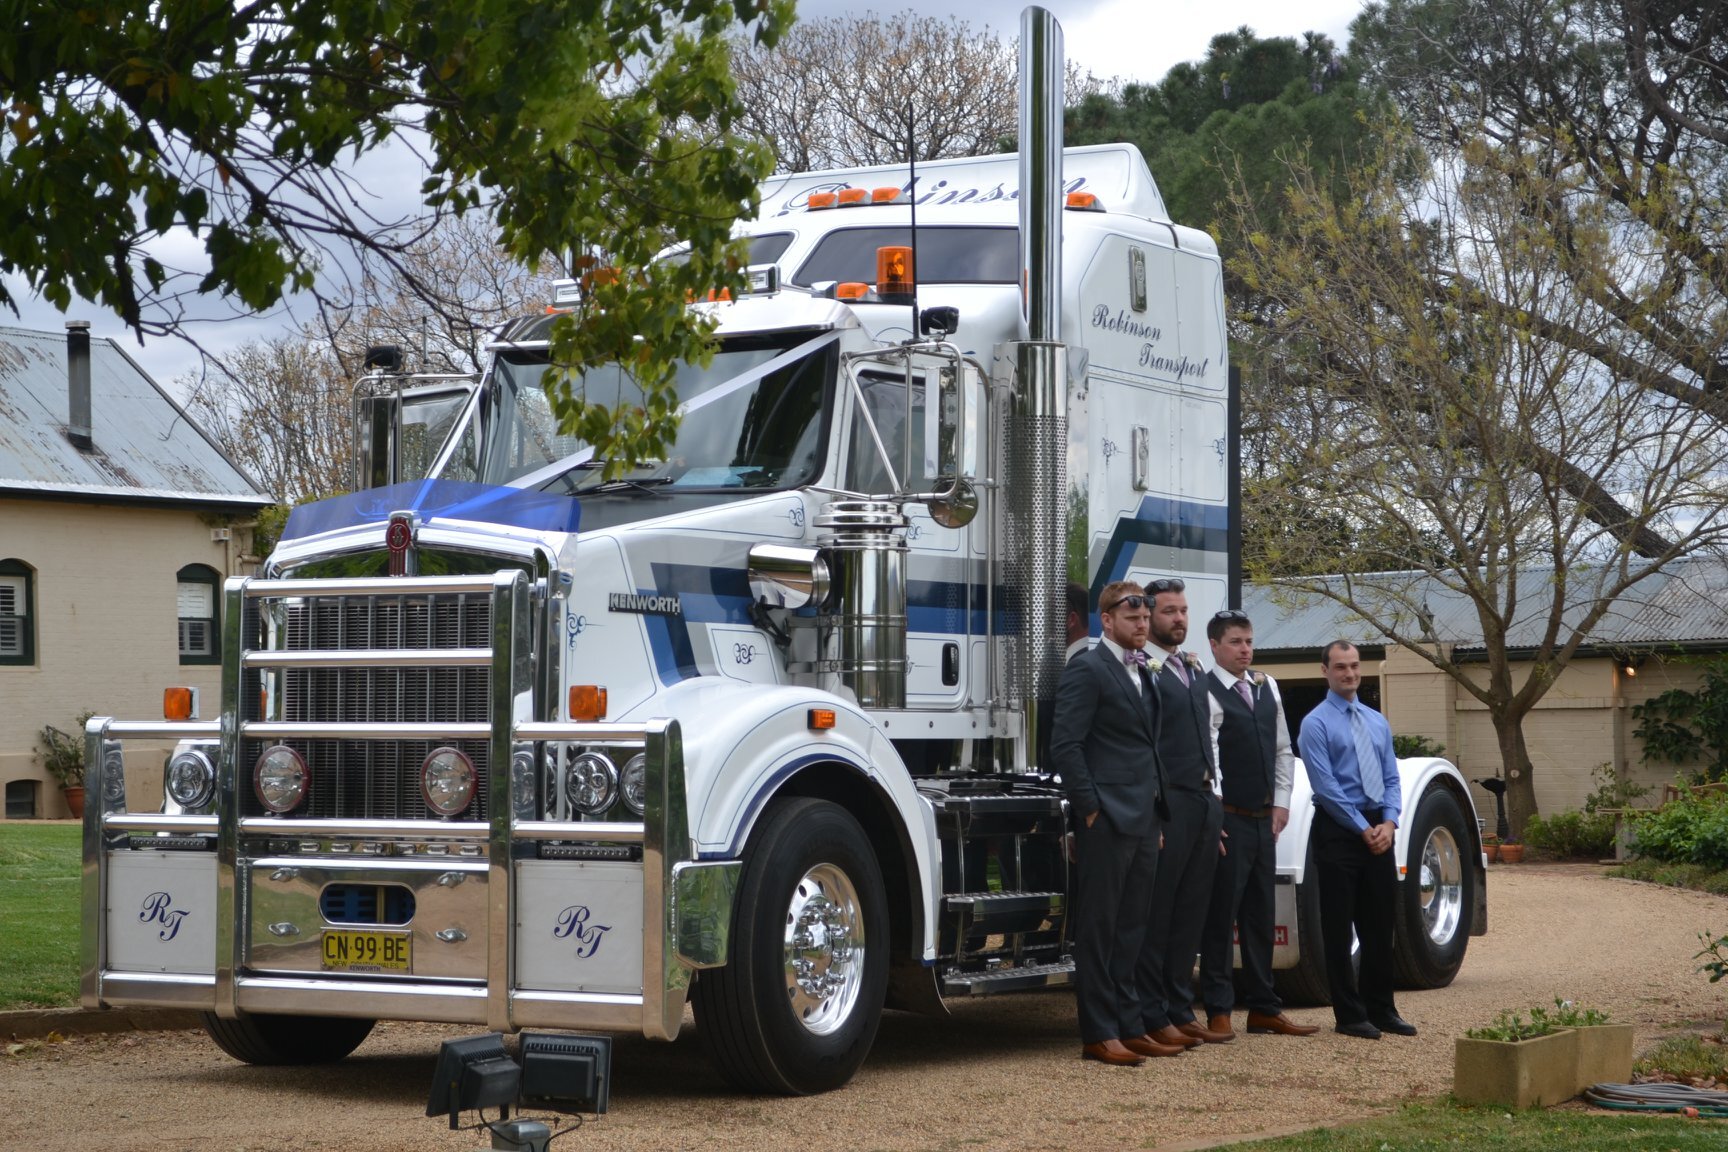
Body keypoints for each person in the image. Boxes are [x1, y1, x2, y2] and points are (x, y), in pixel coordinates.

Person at [1051, 580, 1181, 1065]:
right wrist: (1090, 809)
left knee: (1134, 928)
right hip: (1106, 817)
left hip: (1146, 817)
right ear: (1106, 621)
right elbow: (1067, 744)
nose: (1143, 624)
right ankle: (1098, 1033)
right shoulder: (1089, 668)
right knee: (1100, 930)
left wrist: (1158, 812)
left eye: (1146, 618)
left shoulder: (1144, 671)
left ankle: (1130, 1025)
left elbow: (1149, 747)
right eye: (1132, 618)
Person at [1196, 610, 1318, 1039]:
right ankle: (1219, 1009)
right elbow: (1209, 758)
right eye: (1235, 642)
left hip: (1266, 821)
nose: (1245, 649)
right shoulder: (1206, 690)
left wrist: (1282, 802)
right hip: (1229, 820)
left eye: (1248, 641)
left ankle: (1265, 1007)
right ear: (1214, 645)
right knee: (1220, 918)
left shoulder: (1268, 687)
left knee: (1260, 917)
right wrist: (1216, 815)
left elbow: (1283, 749)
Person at [1297, 640, 1416, 1040]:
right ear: (1325, 671)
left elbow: (1391, 777)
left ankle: (1382, 1009)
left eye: (1354, 666)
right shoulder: (1315, 723)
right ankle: (1349, 1015)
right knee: (1337, 926)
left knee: (1381, 924)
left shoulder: (1376, 721)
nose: (1349, 674)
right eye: (1341, 667)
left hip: (1377, 829)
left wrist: (1390, 822)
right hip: (1338, 831)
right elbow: (1326, 786)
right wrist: (1360, 827)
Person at [1134, 577, 1231, 1049]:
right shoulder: (1144, 670)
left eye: (1184, 611)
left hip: (1203, 801)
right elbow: (1145, 744)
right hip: (1168, 803)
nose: (1179, 619)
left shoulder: (1192, 669)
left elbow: (1207, 737)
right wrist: (1154, 813)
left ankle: (1178, 1005)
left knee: (1191, 913)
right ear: (1149, 615)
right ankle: (1152, 1012)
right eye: (1169, 611)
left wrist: (1214, 806)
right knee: (1160, 913)